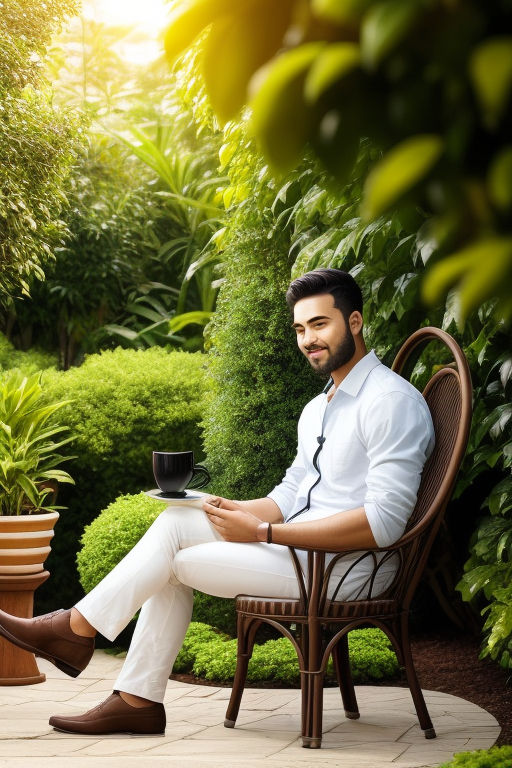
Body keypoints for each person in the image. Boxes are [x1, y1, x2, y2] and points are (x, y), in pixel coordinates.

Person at [0, 268, 434, 736]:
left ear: (354, 323)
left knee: (170, 557)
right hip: (301, 552)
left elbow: (383, 524)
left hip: (347, 568)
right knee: (178, 521)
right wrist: (236, 510)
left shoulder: (389, 401)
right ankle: (115, 677)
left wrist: (263, 533)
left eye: (320, 325)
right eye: (300, 328)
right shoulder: (321, 407)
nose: (308, 339)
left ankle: (100, 659)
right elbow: (292, 494)